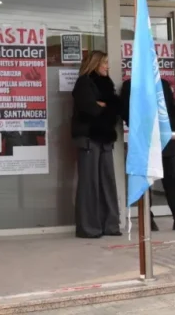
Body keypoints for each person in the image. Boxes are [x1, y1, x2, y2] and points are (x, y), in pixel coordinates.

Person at [120, 77, 175, 232]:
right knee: (146, 181)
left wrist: (172, 129)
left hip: (165, 139)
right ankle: (147, 219)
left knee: (171, 181)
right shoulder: (131, 85)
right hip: (145, 140)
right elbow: (126, 111)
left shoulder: (162, 84)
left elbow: (172, 108)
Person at [71, 50, 121, 238]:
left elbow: (114, 107)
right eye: (104, 63)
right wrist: (105, 107)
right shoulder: (83, 83)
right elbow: (90, 109)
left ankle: (110, 225)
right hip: (89, 139)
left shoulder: (107, 84)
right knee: (89, 183)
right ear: (95, 64)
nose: (108, 66)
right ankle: (89, 228)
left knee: (107, 182)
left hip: (105, 138)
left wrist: (105, 106)